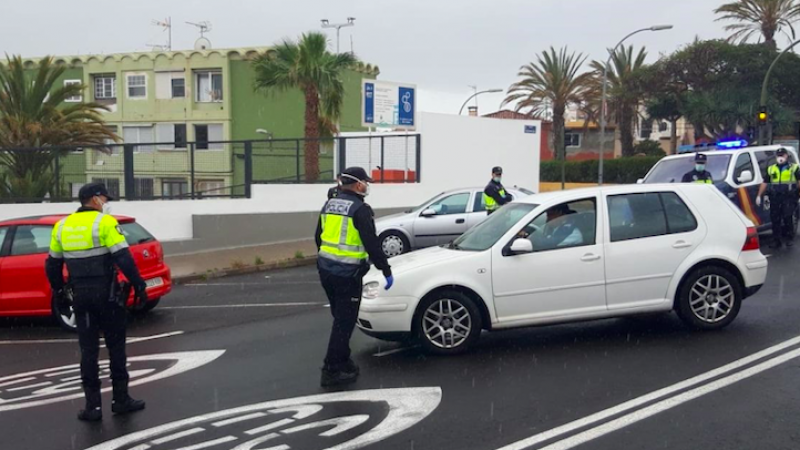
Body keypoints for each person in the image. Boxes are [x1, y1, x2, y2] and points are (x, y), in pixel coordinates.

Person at [45, 182, 149, 422]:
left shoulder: (62, 226)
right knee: (116, 347)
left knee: (89, 350)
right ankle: (121, 400)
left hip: (81, 296)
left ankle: (93, 407)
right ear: (94, 199)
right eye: (104, 198)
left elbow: (52, 264)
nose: (106, 202)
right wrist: (139, 284)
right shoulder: (104, 223)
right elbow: (123, 256)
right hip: (107, 295)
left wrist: (59, 291)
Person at [315, 167, 393, 387]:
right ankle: (331, 370)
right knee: (344, 322)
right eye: (366, 182)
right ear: (359, 184)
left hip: (326, 270)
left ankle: (343, 359)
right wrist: (385, 269)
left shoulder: (330, 204)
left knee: (340, 319)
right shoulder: (360, 209)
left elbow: (318, 236)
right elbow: (372, 244)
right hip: (348, 275)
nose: (367, 186)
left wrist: (325, 261)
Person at [757, 148, 800, 248]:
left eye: (782, 155)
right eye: (779, 155)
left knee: (787, 217)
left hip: (788, 197)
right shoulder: (771, 168)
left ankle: (789, 238)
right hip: (775, 197)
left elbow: (799, 182)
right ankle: (777, 240)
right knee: (775, 219)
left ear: (786, 156)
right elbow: (765, 182)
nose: (780, 157)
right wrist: (759, 195)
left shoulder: (794, 168)